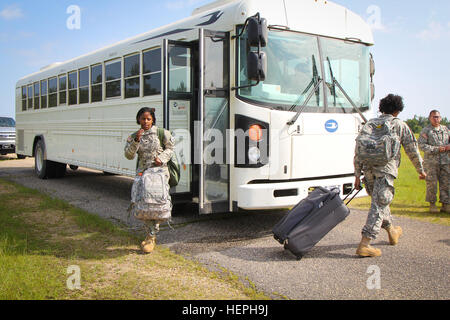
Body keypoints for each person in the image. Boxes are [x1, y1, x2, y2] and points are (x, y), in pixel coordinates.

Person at [354, 94, 426, 257]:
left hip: (368, 171)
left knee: (380, 203)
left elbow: (358, 151)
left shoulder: (370, 124)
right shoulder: (398, 125)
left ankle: (392, 231)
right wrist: (421, 170)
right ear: (397, 110)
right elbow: (412, 149)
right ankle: (365, 243)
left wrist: (357, 175)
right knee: (379, 205)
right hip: (385, 171)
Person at [124, 107, 175, 254]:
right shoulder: (134, 136)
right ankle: (150, 235)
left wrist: (162, 158)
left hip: (160, 174)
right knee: (145, 205)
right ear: (138, 120)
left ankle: (151, 234)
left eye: (148, 119)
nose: (146, 121)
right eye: (143, 119)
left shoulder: (162, 133)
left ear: (152, 120)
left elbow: (170, 149)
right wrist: (136, 141)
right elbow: (128, 155)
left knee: (157, 204)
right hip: (143, 174)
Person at [418, 110, 450, 213]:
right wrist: (437, 149)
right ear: (430, 118)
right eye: (433, 117)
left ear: (440, 118)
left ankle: (445, 204)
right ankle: (432, 204)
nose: (436, 119)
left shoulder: (445, 129)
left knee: (446, 183)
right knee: (432, 184)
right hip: (431, 163)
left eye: (437, 117)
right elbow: (422, 145)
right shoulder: (426, 131)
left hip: (445, 162)